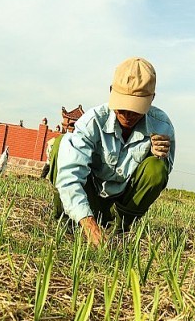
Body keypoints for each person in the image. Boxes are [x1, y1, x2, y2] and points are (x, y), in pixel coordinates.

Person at [49, 57, 174, 247]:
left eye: (136, 109)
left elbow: (159, 178)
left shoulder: (162, 126)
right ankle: (69, 222)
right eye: (122, 108)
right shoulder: (93, 121)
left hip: (122, 202)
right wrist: (89, 225)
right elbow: (69, 176)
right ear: (111, 92)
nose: (128, 115)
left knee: (157, 167)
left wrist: (156, 157)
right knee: (62, 145)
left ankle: (120, 228)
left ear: (151, 99)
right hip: (90, 193)